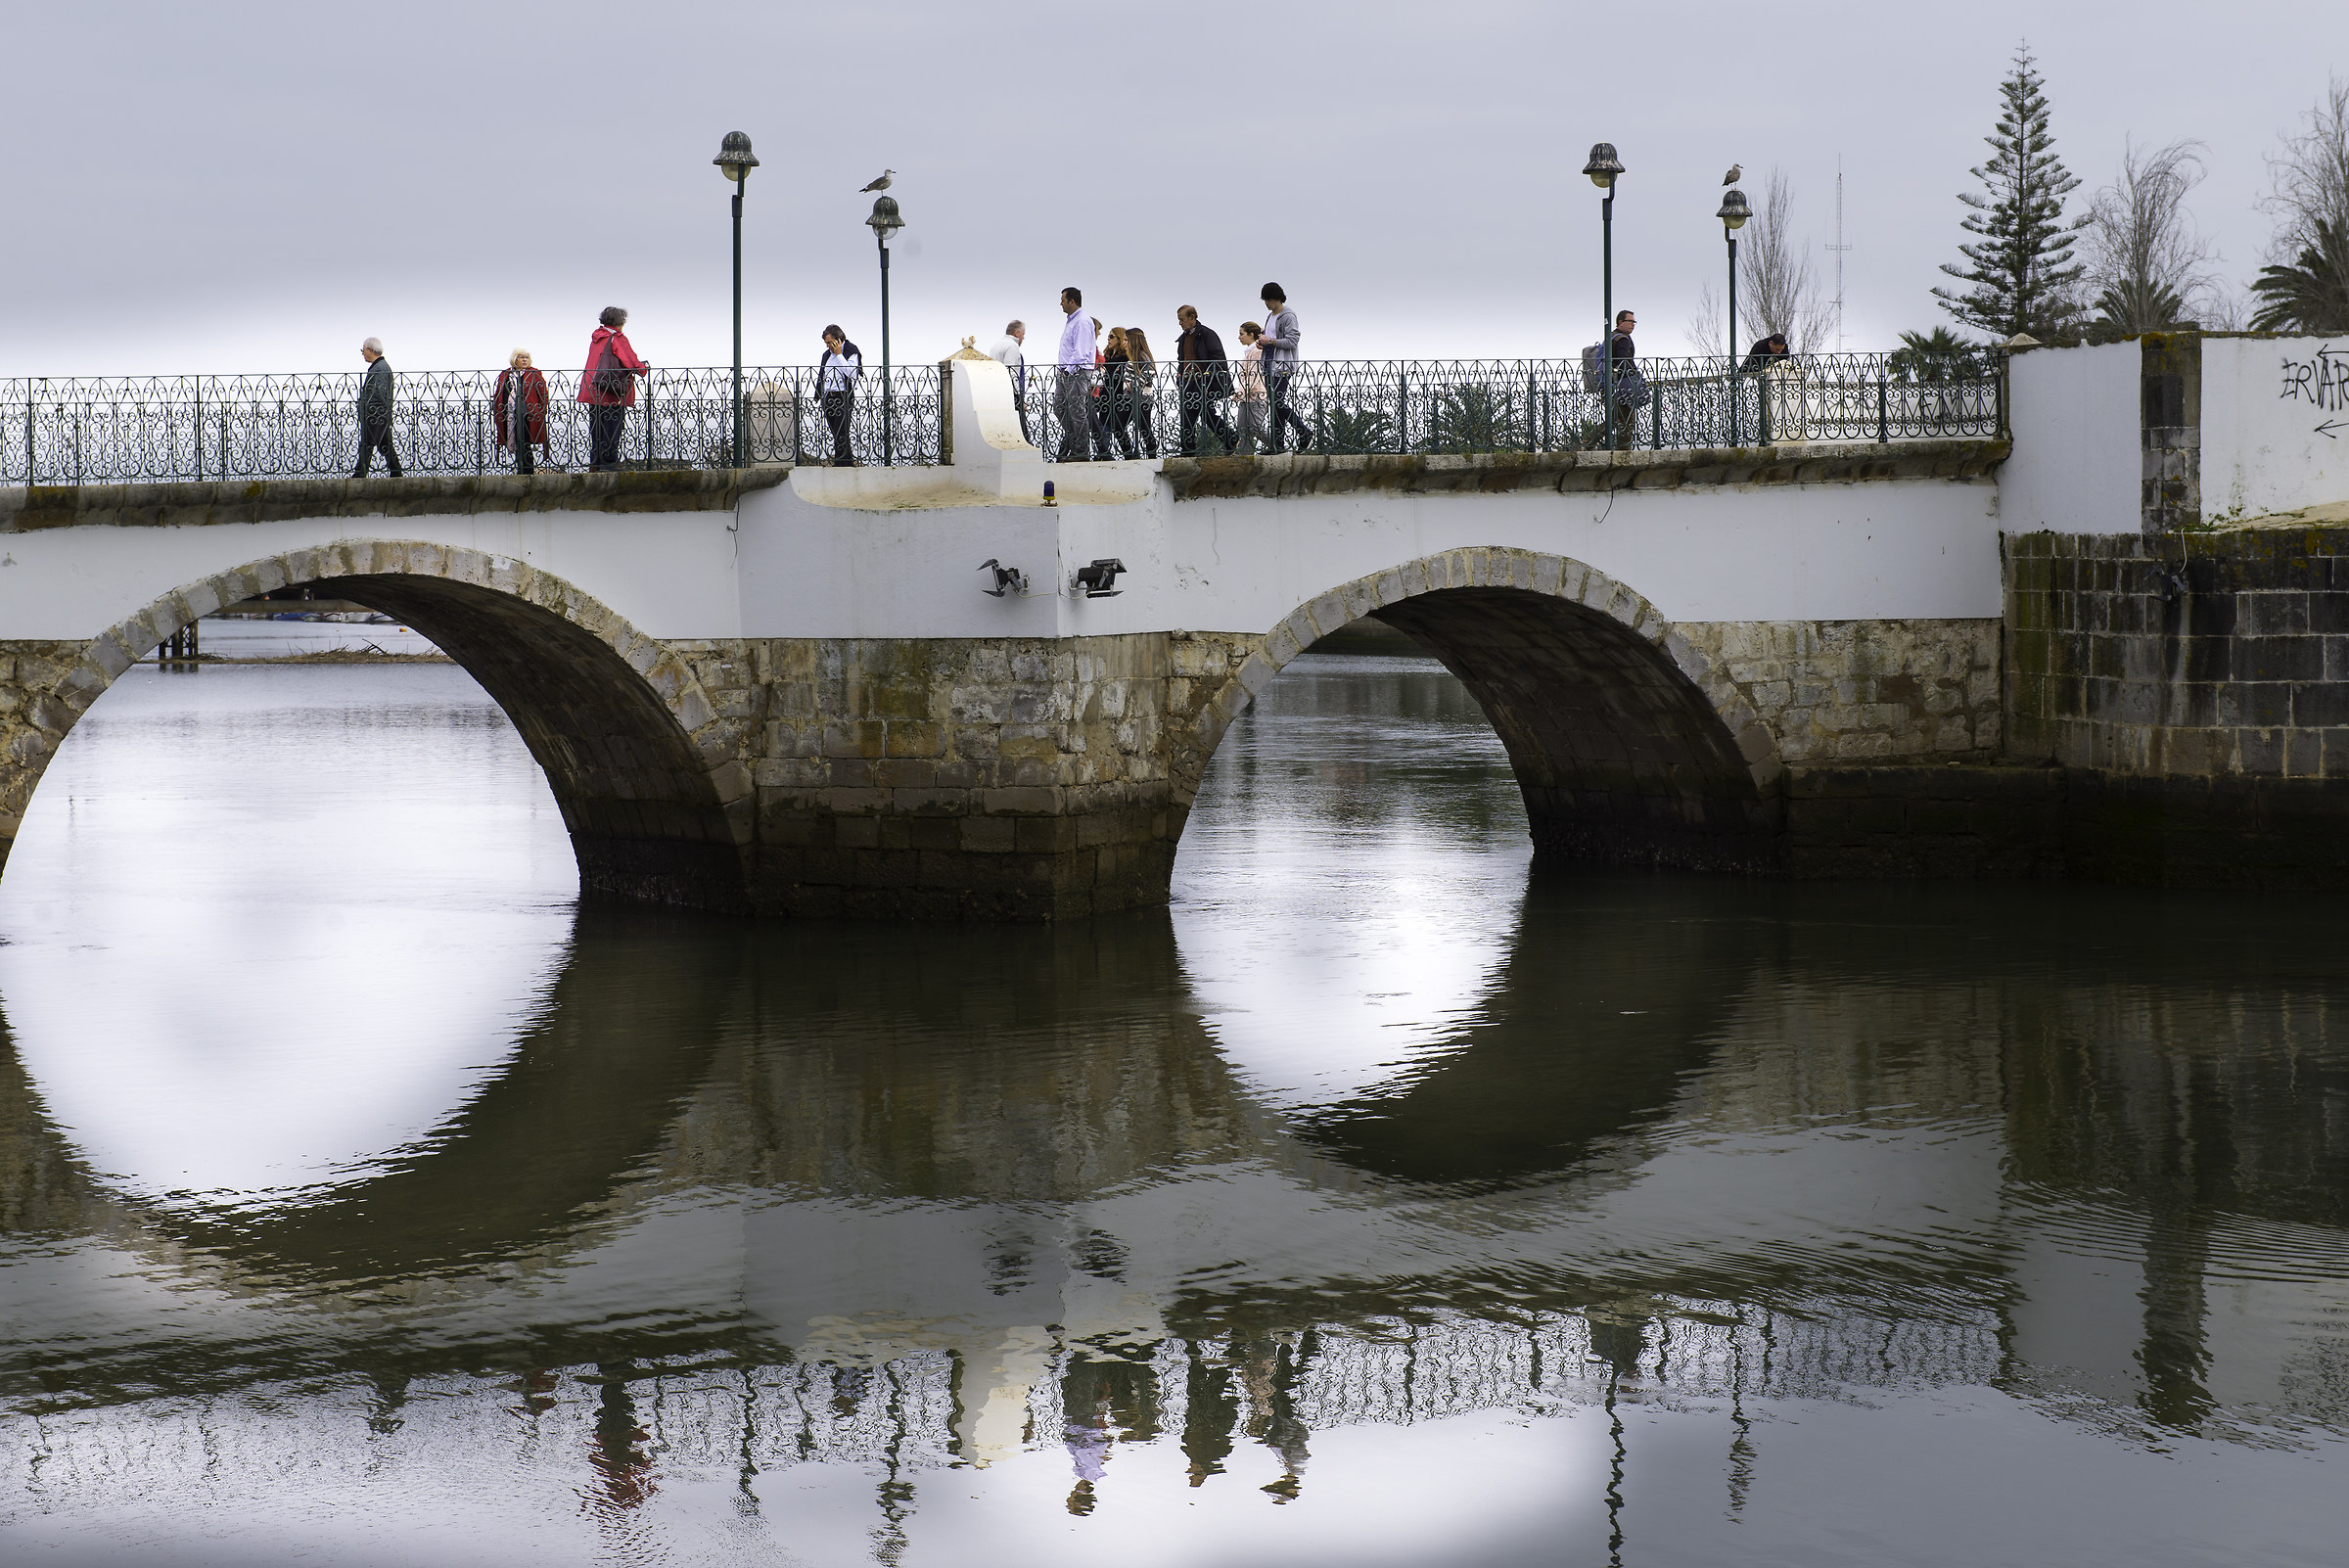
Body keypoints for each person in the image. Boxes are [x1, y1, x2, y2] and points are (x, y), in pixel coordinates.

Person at [576, 306, 648, 472]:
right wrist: (643, 368)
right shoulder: (617, 337)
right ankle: (609, 462)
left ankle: (597, 461)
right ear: (620, 322)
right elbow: (631, 361)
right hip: (610, 390)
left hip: (593, 387)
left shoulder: (597, 337)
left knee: (597, 426)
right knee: (612, 426)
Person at [1174, 305, 1236, 455]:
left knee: (1204, 414)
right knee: (1190, 414)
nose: (1180, 323)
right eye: (1179, 320)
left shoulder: (1207, 334)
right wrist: (1180, 376)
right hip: (1189, 382)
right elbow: (1181, 360)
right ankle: (1229, 439)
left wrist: (1209, 378)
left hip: (1203, 381)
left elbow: (1218, 358)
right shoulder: (1183, 338)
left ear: (1192, 317)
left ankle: (1230, 438)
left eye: (1182, 319)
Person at [1257, 283, 1311, 454]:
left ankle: (1304, 432)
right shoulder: (1270, 316)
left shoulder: (1288, 316)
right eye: (1265, 300)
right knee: (1275, 405)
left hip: (1282, 366)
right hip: (1269, 364)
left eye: (1269, 299)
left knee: (1278, 402)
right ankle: (1277, 445)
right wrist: (1263, 342)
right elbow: (1272, 339)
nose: (1266, 303)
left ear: (1277, 298)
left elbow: (1292, 341)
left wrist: (1270, 341)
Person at [491, 348, 550, 475]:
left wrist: (541, 410)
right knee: (516, 440)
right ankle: (521, 468)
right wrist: (498, 409)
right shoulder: (505, 374)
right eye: (521, 357)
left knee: (526, 440)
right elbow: (499, 393)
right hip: (509, 414)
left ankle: (527, 470)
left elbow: (543, 393)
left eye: (526, 357)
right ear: (514, 359)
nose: (524, 360)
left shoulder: (534, 373)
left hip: (529, 414)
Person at [1054, 288, 1094, 463]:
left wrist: (1067, 371)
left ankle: (1082, 452)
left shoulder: (1082, 322)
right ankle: (1075, 443)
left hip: (1076, 373)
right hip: (1066, 372)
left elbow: (1081, 352)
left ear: (1072, 301)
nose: (1060, 303)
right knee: (1060, 408)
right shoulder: (1072, 321)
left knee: (1077, 412)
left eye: (1063, 300)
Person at [352, 338, 400, 478]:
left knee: (367, 444)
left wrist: (368, 412)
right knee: (384, 444)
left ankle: (359, 475)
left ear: (370, 350)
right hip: (380, 414)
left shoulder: (379, 368)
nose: (363, 354)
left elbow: (377, 394)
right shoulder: (381, 367)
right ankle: (396, 472)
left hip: (375, 415)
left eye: (363, 350)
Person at [817, 326, 861, 466]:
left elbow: (852, 373)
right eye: (826, 343)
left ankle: (840, 464)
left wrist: (839, 354)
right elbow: (823, 375)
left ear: (838, 340)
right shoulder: (826, 355)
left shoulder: (851, 351)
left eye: (830, 342)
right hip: (828, 397)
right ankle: (847, 463)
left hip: (843, 396)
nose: (828, 346)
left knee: (841, 431)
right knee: (835, 432)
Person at [1607, 308, 1648, 449]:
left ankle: (1587, 442)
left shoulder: (1612, 336)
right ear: (1620, 322)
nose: (1632, 324)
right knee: (1627, 419)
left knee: (1615, 418)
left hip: (1611, 383)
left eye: (1634, 322)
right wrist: (1633, 375)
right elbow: (1624, 363)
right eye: (1629, 321)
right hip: (1622, 385)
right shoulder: (1622, 340)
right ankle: (1623, 451)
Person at [1124, 326, 1161, 458]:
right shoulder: (1133, 358)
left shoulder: (1142, 356)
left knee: (1144, 429)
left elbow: (1149, 373)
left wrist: (1133, 385)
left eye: (1126, 340)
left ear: (1133, 341)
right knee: (1122, 425)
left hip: (1142, 399)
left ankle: (1150, 456)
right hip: (1132, 399)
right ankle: (1131, 454)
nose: (1124, 343)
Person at [1103, 326, 1139, 459]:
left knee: (1118, 427)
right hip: (1106, 395)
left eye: (1112, 336)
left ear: (1119, 339)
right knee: (1104, 426)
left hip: (1119, 395)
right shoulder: (1106, 355)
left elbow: (1122, 375)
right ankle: (1104, 454)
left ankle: (1128, 454)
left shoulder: (1124, 357)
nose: (1108, 338)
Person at [1233, 321, 1269, 455]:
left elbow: (1253, 375)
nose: (1239, 337)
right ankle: (1244, 456)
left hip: (1257, 395)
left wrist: (1240, 392)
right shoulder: (1249, 351)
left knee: (1254, 427)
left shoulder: (1256, 351)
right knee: (1243, 429)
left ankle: (1276, 445)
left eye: (1241, 334)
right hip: (1247, 396)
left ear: (1251, 334)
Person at [991, 319, 1029, 441]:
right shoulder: (1012, 346)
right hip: (1010, 394)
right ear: (1017, 333)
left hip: (997, 392)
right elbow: (1012, 373)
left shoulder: (997, 345)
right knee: (1022, 431)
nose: (1024, 338)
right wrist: (1020, 398)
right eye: (1023, 334)